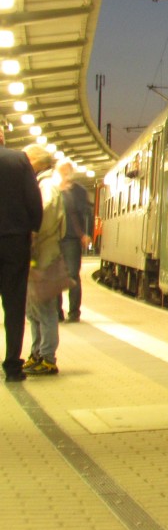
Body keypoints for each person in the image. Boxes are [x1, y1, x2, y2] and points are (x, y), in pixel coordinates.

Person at [0, 132, 42, 382]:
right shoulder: (19, 160)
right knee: (14, 305)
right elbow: (34, 199)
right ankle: (13, 367)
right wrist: (33, 229)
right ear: (2, 138)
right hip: (15, 241)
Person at [23, 144, 63, 376]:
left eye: (27, 159)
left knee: (44, 309)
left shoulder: (47, 185)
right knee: (34, 309)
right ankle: (37, 352)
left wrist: (32, 232)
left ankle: (47, 357)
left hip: (44, 255)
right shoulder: (42, 183)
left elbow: (45, 211)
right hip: (39, 255)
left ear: (38, 161)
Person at [56, 161, 90, 322]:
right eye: (61, 170)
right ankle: (57, 312)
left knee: (72, 275)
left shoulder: (79, 191)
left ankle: (74, 312)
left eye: (65, 170)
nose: (63, 173)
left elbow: (86, 213)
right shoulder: (54, 190)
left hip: (71, 237)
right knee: (55, 275)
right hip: (54, 237)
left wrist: (86, 234)